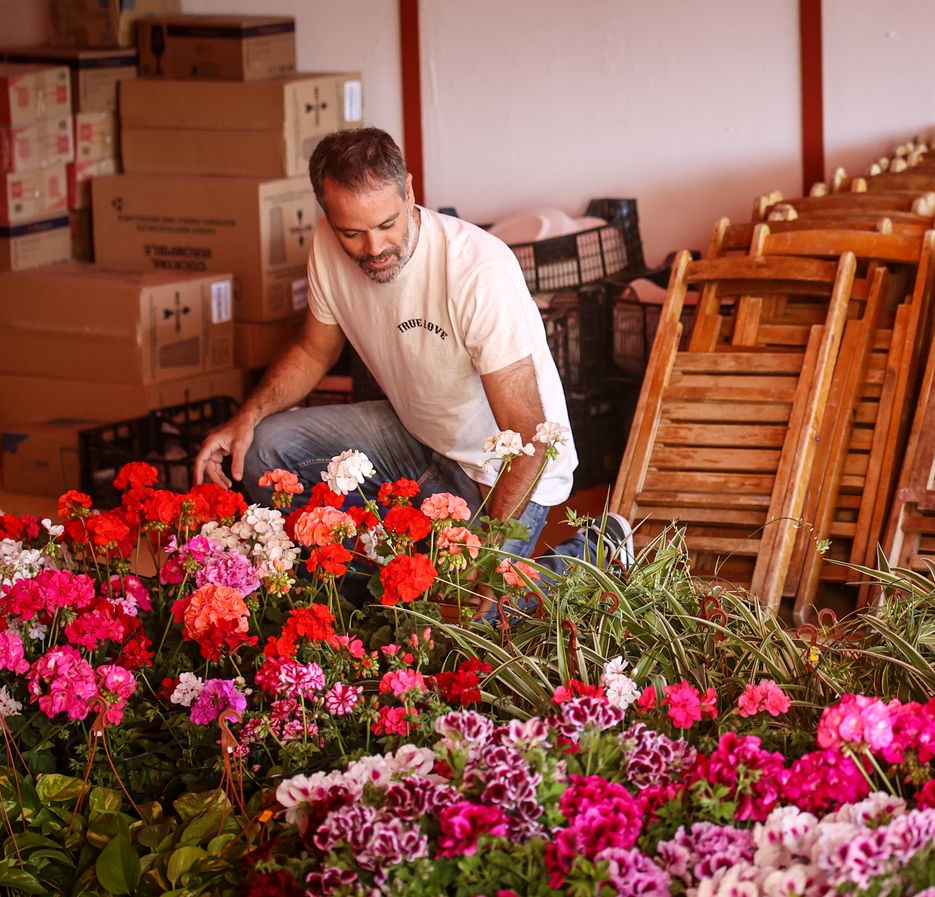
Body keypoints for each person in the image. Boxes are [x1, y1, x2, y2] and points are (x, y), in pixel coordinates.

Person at [192, 127, 630, 587]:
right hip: (416, 435)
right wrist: (248, 414)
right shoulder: (325, 245)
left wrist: (490, 556)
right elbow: (311, 350)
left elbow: (529, 439)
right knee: (266, 446)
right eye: (352, 233)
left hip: (501, 470)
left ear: (410, 192)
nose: (374, 248)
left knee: (473, 622)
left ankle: (598, 549)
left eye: (387, 224)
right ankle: (358, 593)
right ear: (328, 214)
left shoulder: (477, 270)